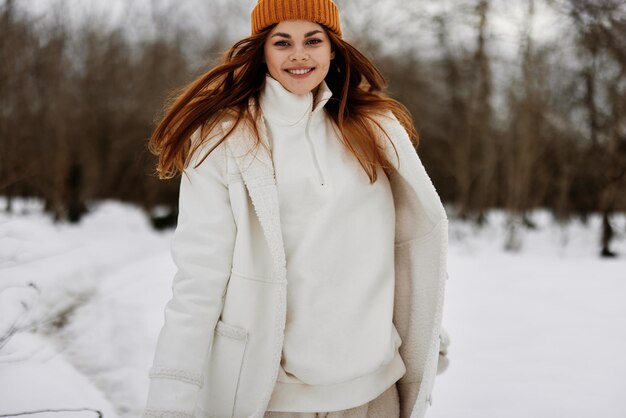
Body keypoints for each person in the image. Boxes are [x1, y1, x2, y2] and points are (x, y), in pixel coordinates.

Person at [142, 1, 449, 417]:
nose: (299, 54)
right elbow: (199, 278)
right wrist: (170, 400)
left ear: (334, 49)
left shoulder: (375, 129)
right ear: (262, 51)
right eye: (282, 41)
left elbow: (401, 247)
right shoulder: (224, 140)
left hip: (376, 390)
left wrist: (429, 330)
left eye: (313, 40)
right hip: (277, 398)